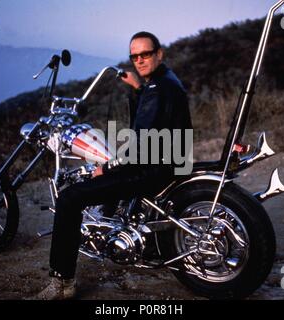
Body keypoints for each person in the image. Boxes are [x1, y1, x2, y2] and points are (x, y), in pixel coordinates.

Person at [32, 31, 192, 299]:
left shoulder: (156, 89)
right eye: (134, 56)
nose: (139, 61)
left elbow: (140, 145)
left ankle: (62, 283)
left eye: (146, 54)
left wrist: (105, 168)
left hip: (152, 169)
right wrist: (138, 89)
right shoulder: (165, 81)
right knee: (110, 173)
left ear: (159, 54)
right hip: (173, 161)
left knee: (70, 198)